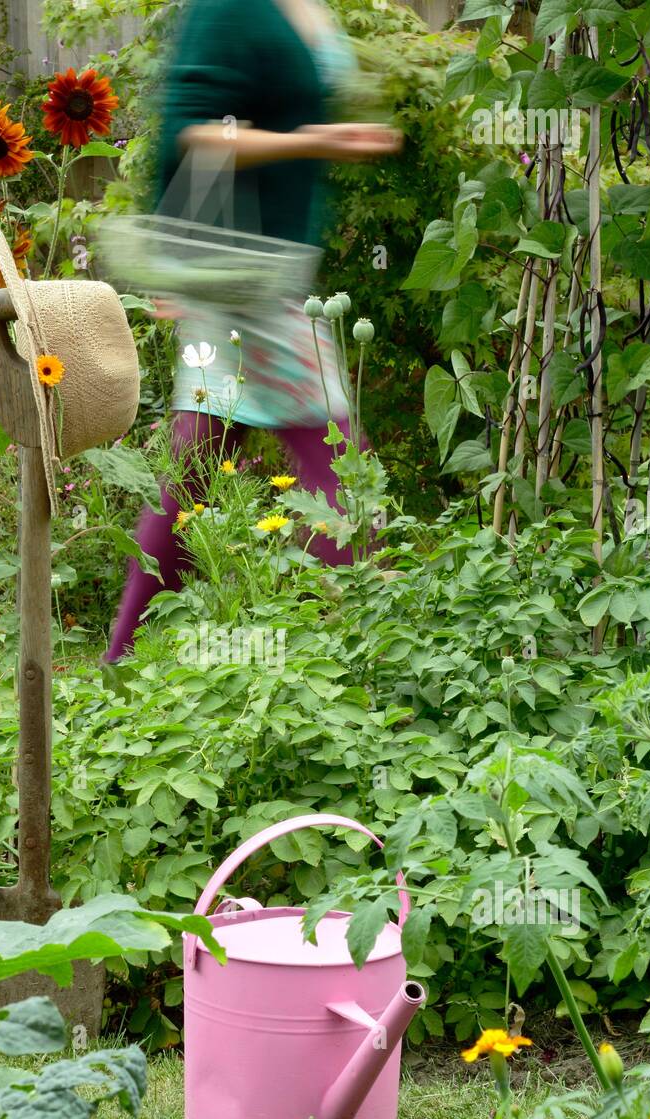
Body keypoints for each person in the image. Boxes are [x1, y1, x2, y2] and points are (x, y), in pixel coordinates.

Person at [103, 0, 402, 662]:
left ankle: (124, 661)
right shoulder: (228, 6)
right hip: (240, 273)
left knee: (198, 458)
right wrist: (317, 140)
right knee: (335, 450)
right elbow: (195, 135)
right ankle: (370, 651)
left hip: (269, 267)